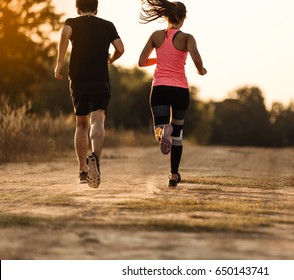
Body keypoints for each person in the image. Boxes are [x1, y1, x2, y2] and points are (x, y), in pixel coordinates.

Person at [54, 0, 124, 188]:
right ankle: (96, 159)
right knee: (98, 120)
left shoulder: (72, 22)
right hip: (100, 78)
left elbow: (64, 34)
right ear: (96, 8)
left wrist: (59, 63)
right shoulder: (107, 25)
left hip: (78, 79)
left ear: (77, 8)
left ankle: (83, 171)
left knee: (81, 123)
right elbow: (121, 48)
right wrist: (112, 58)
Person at [138, 0, 207, 188]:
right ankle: (174, 175)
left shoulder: (156, 36)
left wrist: (160, 58)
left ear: (166, 16)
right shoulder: (187, 38)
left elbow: (141, 62)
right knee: (178, 134)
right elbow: (197, 59)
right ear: (183, 19)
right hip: (180, 90)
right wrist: (201, 70)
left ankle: (162, 132)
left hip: (160, 88)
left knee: (157, 129)